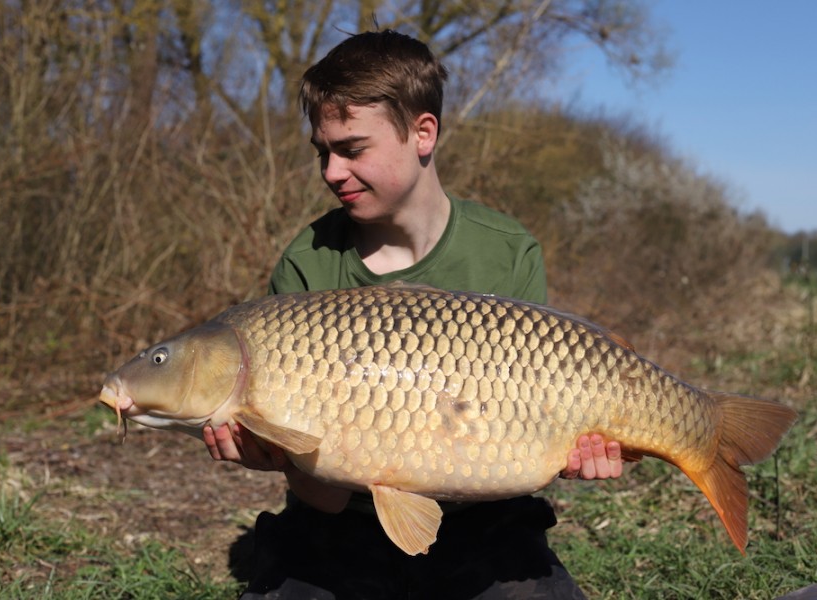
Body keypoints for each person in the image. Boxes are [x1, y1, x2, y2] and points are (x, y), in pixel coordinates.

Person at [203, 29, 623, 599]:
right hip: (337, 524)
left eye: (352, 149)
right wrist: (277, 460)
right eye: (322, 152)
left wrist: (576, 451)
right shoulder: (307, 264)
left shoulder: (506, 250)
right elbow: (321, 494)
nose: (331, 171)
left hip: (483, 520)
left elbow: (532, 439)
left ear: (423, 132)